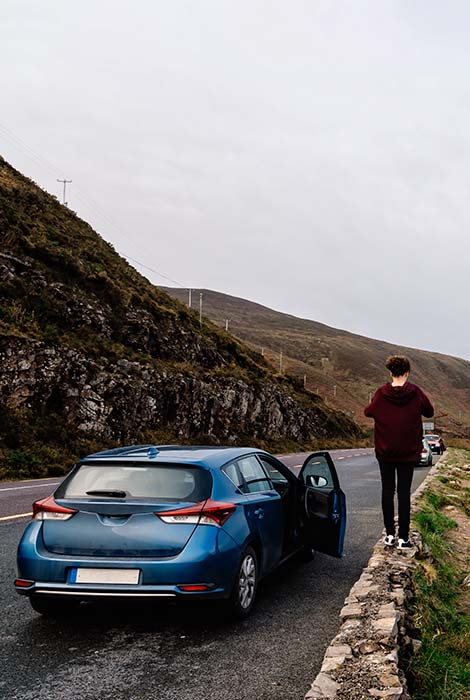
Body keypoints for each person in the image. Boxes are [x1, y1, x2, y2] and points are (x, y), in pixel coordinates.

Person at [364, 355, 434, 549]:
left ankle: (389, 535)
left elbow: (368, 411)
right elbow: (429, 412)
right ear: (407, 372)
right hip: (408, 452)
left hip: (385, 451)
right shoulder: (416, 392)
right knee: (404, 492)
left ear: (390, 372)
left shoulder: (381, 393)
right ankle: (403, 537)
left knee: (387, 490)